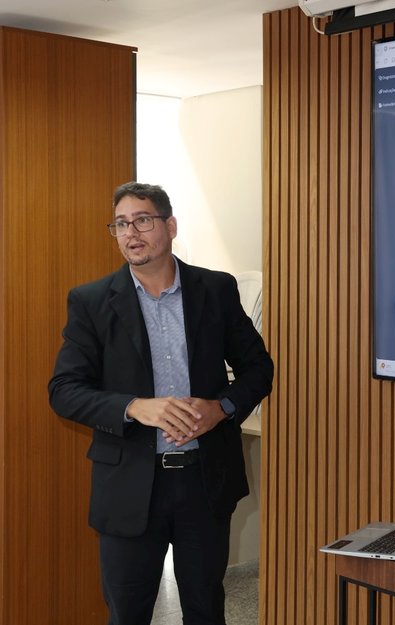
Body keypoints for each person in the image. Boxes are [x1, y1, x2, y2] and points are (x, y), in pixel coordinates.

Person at [48, 182, 274, 625]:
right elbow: (64, 389)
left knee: (205, 610)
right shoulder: (91, 301)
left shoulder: (216, 289)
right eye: (120, 224)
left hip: (204, 483)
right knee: (128, 614)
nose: (130, 233)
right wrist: (134, 406)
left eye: (143, 220)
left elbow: (258, 368)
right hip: (129, 488)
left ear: (170, 226)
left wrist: (222, 409)